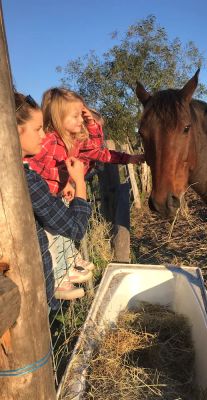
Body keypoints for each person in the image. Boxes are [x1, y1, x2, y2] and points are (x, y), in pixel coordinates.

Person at [26, 87, 144, 272]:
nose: (81, 120)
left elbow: (98, 150)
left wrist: (93, 125)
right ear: (58, 117)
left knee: (59, 233)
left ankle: (68, 263)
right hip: (41, 198)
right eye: (77, 116)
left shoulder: (73, 141)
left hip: (57, 194)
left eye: (82, 116)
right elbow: (28, 163)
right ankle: (59, 274)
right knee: (49, 238)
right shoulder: (48, 141)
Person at [15, 91, 92, 306]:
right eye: (38, 129)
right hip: (35, 292)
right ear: (14, 131)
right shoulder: (27, 181)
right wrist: (80, 182)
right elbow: (75, 228)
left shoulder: (18, 175)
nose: (43, 136)